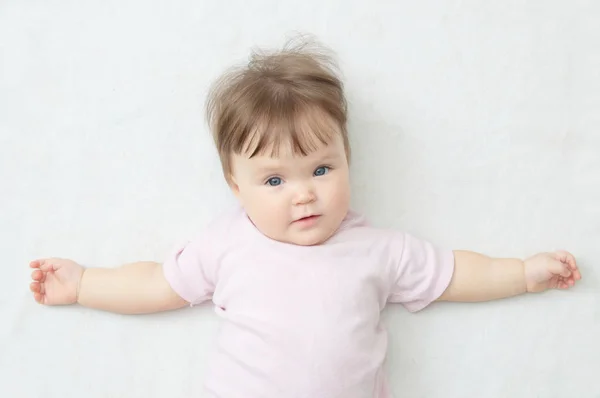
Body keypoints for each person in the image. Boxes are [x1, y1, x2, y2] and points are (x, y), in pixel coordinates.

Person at [28, 37, 581, 398]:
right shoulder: (227, 244)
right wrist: (84, 285)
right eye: (274, 180)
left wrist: (523, 273)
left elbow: (457, 274)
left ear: (347, 160)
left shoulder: (380, 250)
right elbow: (156, 283)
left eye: (321, 169)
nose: (304, 196)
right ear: (235, 187)